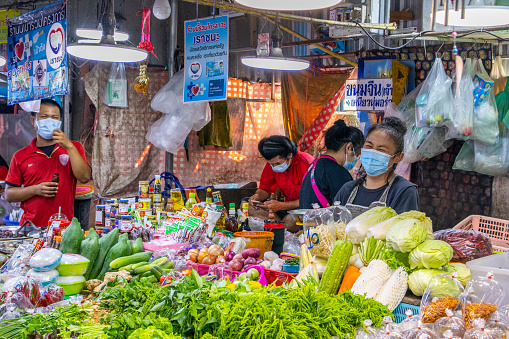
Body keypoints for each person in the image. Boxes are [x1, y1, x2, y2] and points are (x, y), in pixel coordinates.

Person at [4, 99, 91, 227]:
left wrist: (69, 146)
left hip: (63, 227)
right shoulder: (20, 156)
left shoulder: (74, 148)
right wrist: (35, 189)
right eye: (44, 117)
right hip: (30, 227)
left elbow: (84, 177)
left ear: (59, 122)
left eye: (54, 117)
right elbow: (9, 194)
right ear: (33, 121)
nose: (49, 121)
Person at [334, 117, 419, 216]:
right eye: (369, 146)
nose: (373, 152)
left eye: (381, 149)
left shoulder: (403, 191)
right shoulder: (347, 190)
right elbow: (334, 225)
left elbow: (403, 229)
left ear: (398, 157)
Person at [249, 135, 314, 232]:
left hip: (305, 208)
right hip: (285, 209)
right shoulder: (273, 163)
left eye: (277, 164)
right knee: (251, 209)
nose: (274, 167)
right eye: (271, 164)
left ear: (289, 155)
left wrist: (281, 206)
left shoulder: (306, 163)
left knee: (290, 221)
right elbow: (264, 189)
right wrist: (257, 196)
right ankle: (281, 229)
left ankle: (279, 229)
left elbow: (311, 199)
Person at [299, 119, 364, 209]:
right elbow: (346, 209)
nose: (355, 158)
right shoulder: (338, 172)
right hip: (326, 223)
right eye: (356, 154)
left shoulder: (314, 165)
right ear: (349, 147)